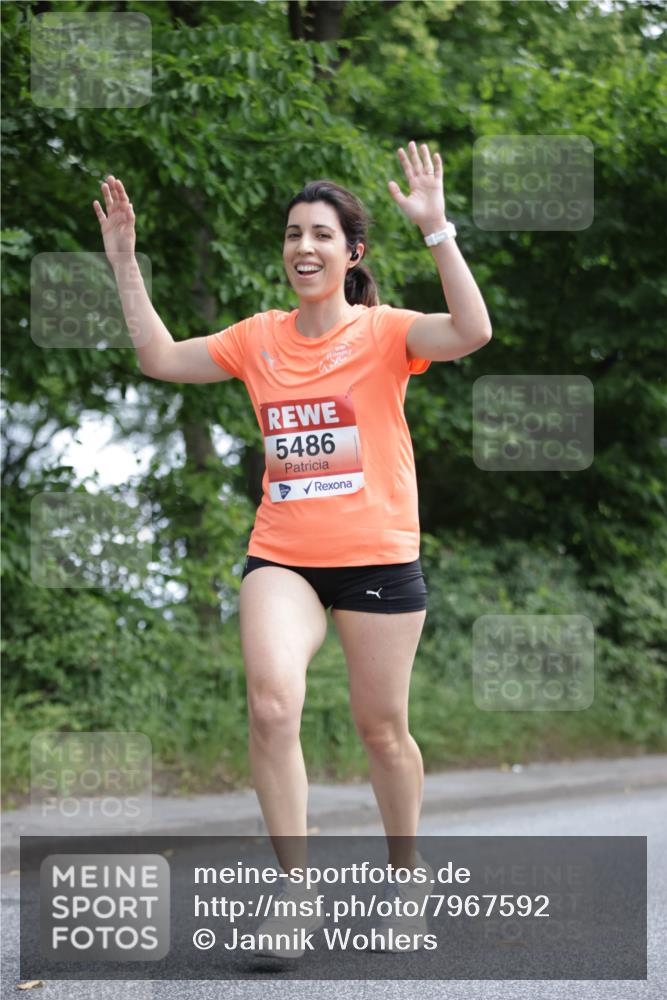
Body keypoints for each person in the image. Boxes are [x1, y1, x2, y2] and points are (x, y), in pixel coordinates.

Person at [93, 141, 492, 959]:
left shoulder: (385, 334)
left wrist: (437, 229)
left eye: (319, 234)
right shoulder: (258, 339)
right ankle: (294, 891)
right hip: (285, 555)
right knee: (272, 705)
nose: (302, 247)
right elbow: (159, 358)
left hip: (378, 556)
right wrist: (125, 262)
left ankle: (406, 878)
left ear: (352, 254)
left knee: (381, 730)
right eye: (290, 234)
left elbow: (473, 330)